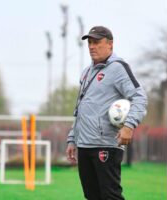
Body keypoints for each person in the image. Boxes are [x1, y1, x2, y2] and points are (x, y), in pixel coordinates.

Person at [66, 26, 148, 200]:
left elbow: (140, 98)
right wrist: (73, 138)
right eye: (89, 42)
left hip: (106, 145)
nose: (91, 46)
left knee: (110, 196)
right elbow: (80, 108)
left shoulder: (118, 68)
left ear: (110, 44)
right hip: (84, 145)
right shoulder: (87, 73)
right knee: (92, 196)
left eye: (96, 42)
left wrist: (129, 126)